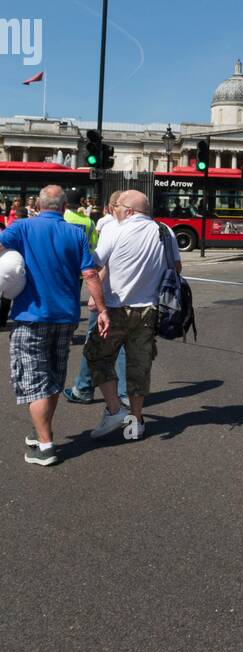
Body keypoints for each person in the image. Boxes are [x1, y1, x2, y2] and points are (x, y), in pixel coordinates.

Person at [0, 185, 108, 467]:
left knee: (35, 380)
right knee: (53, 378)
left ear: (38, 205)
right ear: (63, 208)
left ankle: (46, 446)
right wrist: (102, 308)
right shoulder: (76, 232)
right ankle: (41, 433)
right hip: (66, 317)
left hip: (31, 315)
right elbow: (90, 273)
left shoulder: (22, 227)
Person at [85, 190, 182, 442]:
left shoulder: (114, 230)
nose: (114, 211)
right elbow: (176, 268)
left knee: (97, 354)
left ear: (128, 210)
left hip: (116, 308)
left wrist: (97, 299)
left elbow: (94, 266)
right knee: (139, 366)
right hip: (149, 310)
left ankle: (114, 409)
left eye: (116, 207)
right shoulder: (164, 231)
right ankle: (136, 420)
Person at [64, 190, 128, 406]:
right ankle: (125, 393)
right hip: (133, 299)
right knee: (123, 345)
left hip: (102, 290)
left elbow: (98, 261)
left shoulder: (108, 226)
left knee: (95, 340)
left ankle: (83, 388)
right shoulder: (88, 221)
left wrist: (96, 294)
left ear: (111, 207)